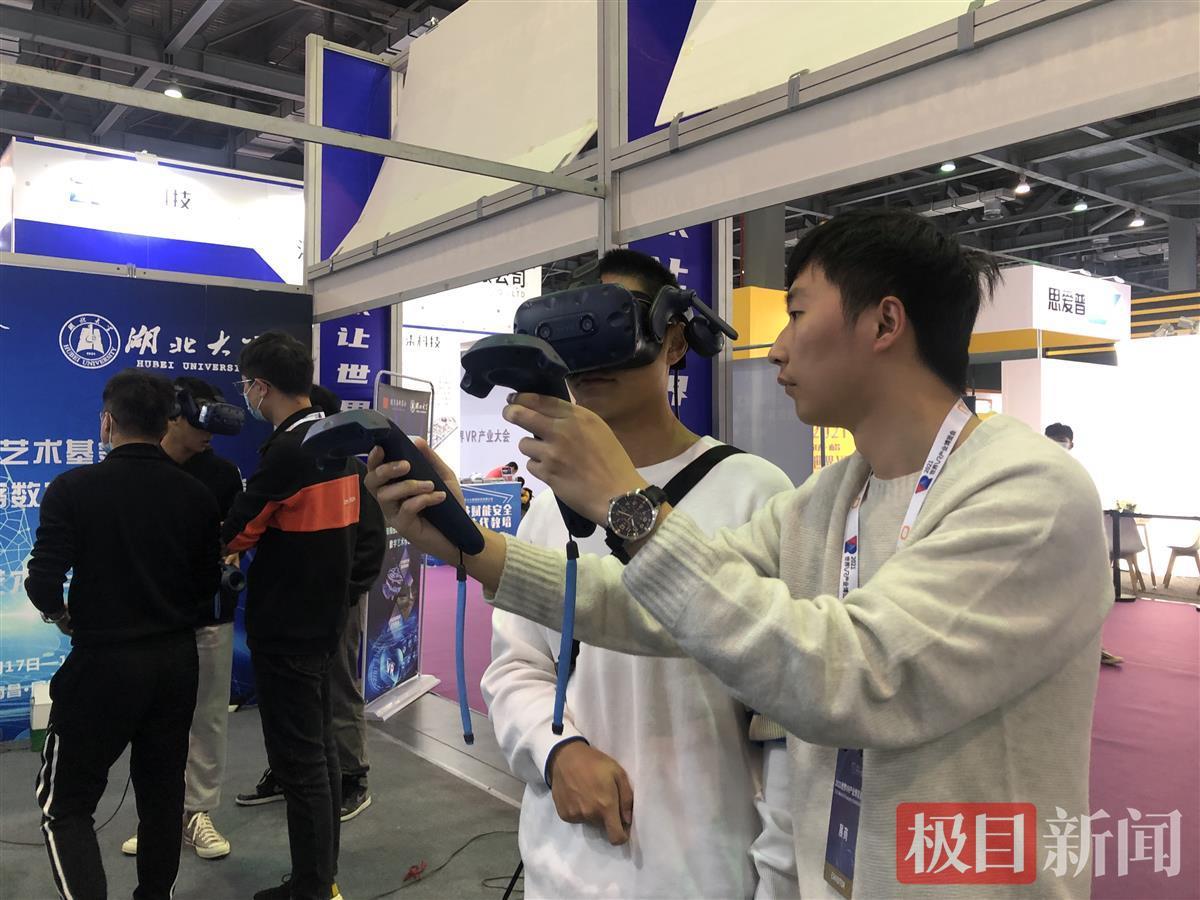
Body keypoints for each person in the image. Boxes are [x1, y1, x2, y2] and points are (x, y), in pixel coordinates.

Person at [367, 209, 1114, 898]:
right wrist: (469, 548)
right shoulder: (828, 499)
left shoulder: (1028, 490)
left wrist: (627, 504)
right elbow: (643, 605)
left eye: (797, 313)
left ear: (885, 322)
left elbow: (853, 673)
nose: (778, 346)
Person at [480, 249, 796, 899]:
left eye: (611, 325)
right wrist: (555, 750)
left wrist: (780, 878)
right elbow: (517, 665)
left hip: (706, 869)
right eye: (572, 336)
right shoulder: (549, 505)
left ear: (673, 341)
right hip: (563, 867)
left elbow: (789, 710)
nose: (591, 359)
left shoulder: (754, 493)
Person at [26, 370, 221, 900]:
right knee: (162, 797)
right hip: (175, 662)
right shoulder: (196, 495)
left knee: (65, 805)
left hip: (104, 664)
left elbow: (43, 581)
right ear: (165, 425)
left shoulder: (73, 489)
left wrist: (61, 615)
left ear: (107, 422)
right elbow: (208, 588)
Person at [222, 333, 361, 900]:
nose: (246, 395)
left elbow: (235, 531)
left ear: (261, 387)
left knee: (300, 764)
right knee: (319, 756)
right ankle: (319, 878)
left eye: (246, 386)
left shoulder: (286, 453)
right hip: (324, 620)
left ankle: (310, 887)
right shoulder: (336, 440)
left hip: (286, 628)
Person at [236, 385, 386, 822]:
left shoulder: (348, 468)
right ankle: (288, 772)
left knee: (337, 688)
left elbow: (370, 542)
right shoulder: (291, 460)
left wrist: (347, 592)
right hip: (294, 606)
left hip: (337, 602)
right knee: (291, 699)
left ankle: (352, 778)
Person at [121, 377, 244, 861]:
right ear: (173, 415)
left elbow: (236, 540)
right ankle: (159, 818)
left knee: (207, 716)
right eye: (201, 419)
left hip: (208, 614)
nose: (209, 431)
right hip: (149, 618)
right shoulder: (135, 469)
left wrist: (231, 552)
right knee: (151, 722)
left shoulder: (224, 475)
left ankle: (198, 813)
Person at [1044, 423, 1123, 666]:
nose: (1058, 444)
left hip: (1071, 545)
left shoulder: (1078, 472)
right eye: (1052, 439)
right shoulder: (1036, 468)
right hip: (1044, 547)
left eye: (1062, 440)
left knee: (1083, 599)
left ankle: (1092, 647)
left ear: (1071, 444)